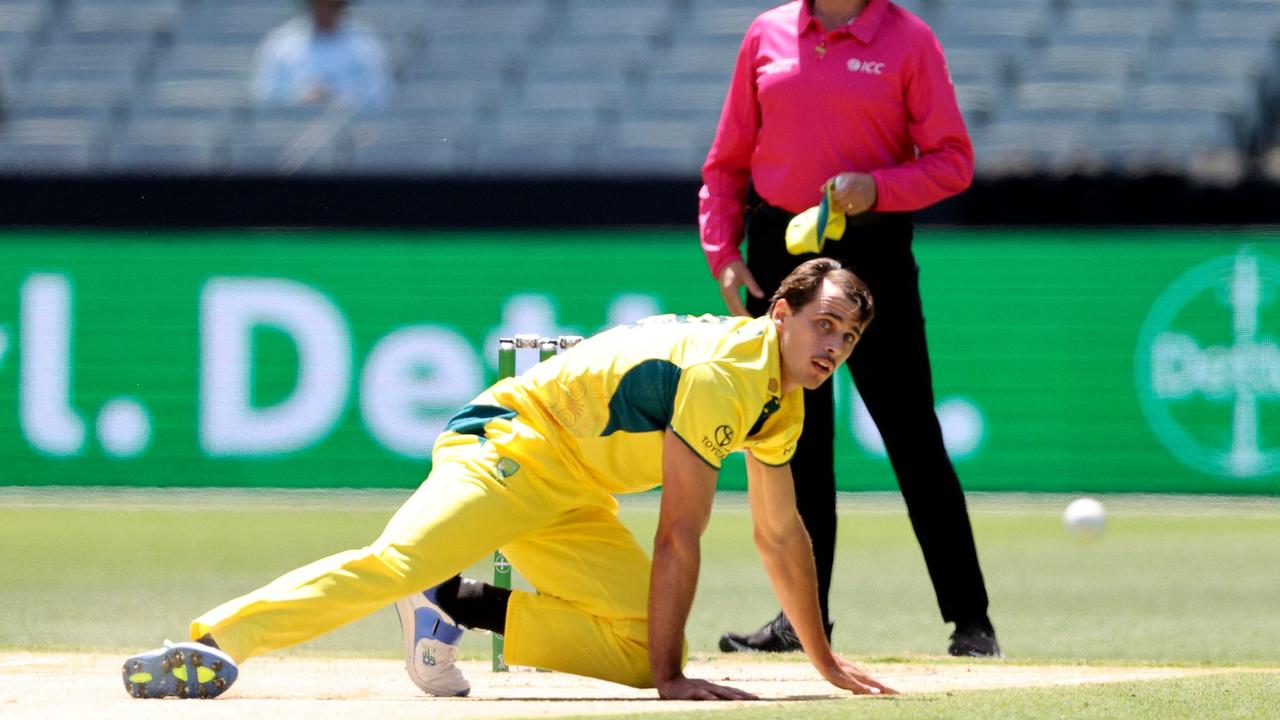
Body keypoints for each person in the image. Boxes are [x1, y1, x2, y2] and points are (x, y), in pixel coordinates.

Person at [121, 258, 897, 701]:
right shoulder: (730, 372)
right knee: (401, 558)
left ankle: (452, 603)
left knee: (635, 646)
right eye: (822, 324)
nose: (834, 345)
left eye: (849, 336)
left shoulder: (783, 401)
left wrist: (821, 659)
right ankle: (216, 642)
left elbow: (777, 533)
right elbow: (678, 535)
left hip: (572, 490)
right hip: (511, 444)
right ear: (779, 315)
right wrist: (673, 683)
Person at [699, 0, 1000, 657]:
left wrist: (878, 188)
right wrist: (724, 254)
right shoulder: (766, 33)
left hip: (874, 247)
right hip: (780, 248)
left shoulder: (908, 39)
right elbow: (726, 164)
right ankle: (799, 621)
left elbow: (952, 160)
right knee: (788, 442)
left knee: (912, 435)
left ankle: (971, 621)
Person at [250, 0, 390, 110]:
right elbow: (264, 96)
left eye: (332, 5)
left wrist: (340, 99)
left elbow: (379, 96)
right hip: (289, 135)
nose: (325, 11)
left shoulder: (365, 45)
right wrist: (299, 99)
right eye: (319, 4)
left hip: (355, 136)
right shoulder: (281, 43)